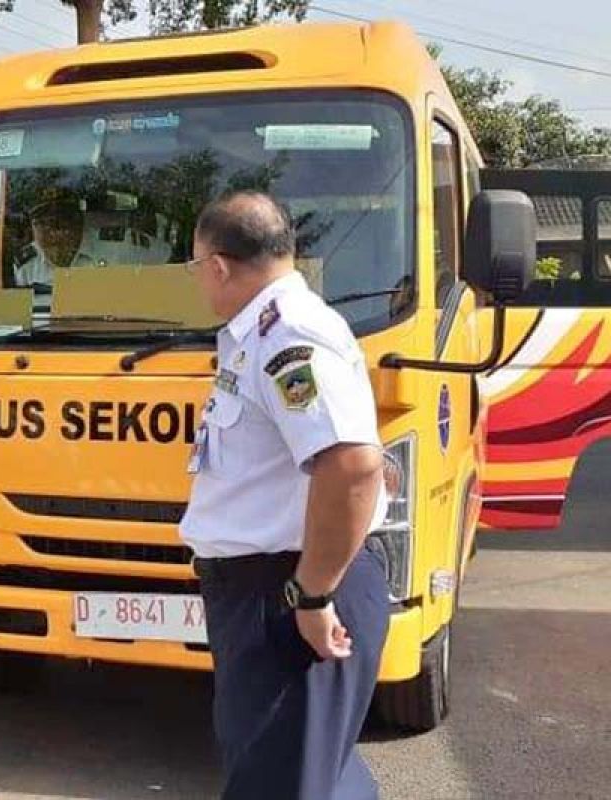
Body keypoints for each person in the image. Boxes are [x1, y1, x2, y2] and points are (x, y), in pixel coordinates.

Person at [180, 192, 390, 798]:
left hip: (287, 593)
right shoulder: (263, 330)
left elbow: (352, 465)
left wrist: (312, 594)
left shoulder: (288, 335)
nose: (199, 281)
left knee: (279, 784)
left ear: (218, 266)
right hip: (277, 589)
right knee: (311, 779)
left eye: (196, 268)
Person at [13, 194, 101, 288]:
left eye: (62, 223)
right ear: (32, 228)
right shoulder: (26, 267)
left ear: (79, 224)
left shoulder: (107, 251)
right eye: (42, 224)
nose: (54, 234)